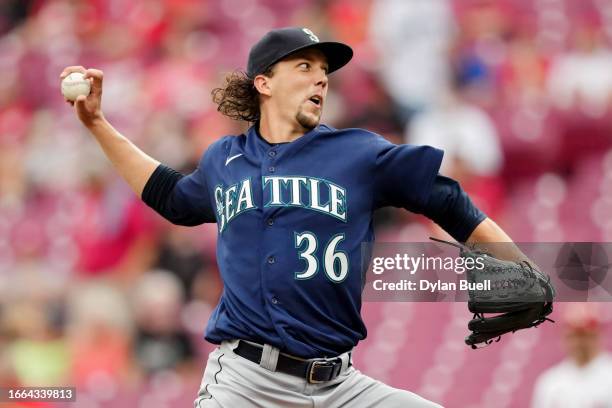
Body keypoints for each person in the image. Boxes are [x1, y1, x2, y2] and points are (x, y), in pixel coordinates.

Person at [62, 27, 526, 408]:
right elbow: (171, 196)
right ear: (263, 82)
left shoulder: (358, 153)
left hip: (339, 387)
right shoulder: (226, 159)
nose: (320, 79)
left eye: (324, 71)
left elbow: (448, 200)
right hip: (245, 382)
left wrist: (517, 270)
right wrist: (98, 124)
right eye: (304, 67)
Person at [531, 303, 612, 408]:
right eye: (573, 336)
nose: (579, 342)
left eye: (584, 335)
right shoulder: (551, 381)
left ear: (596, 336)